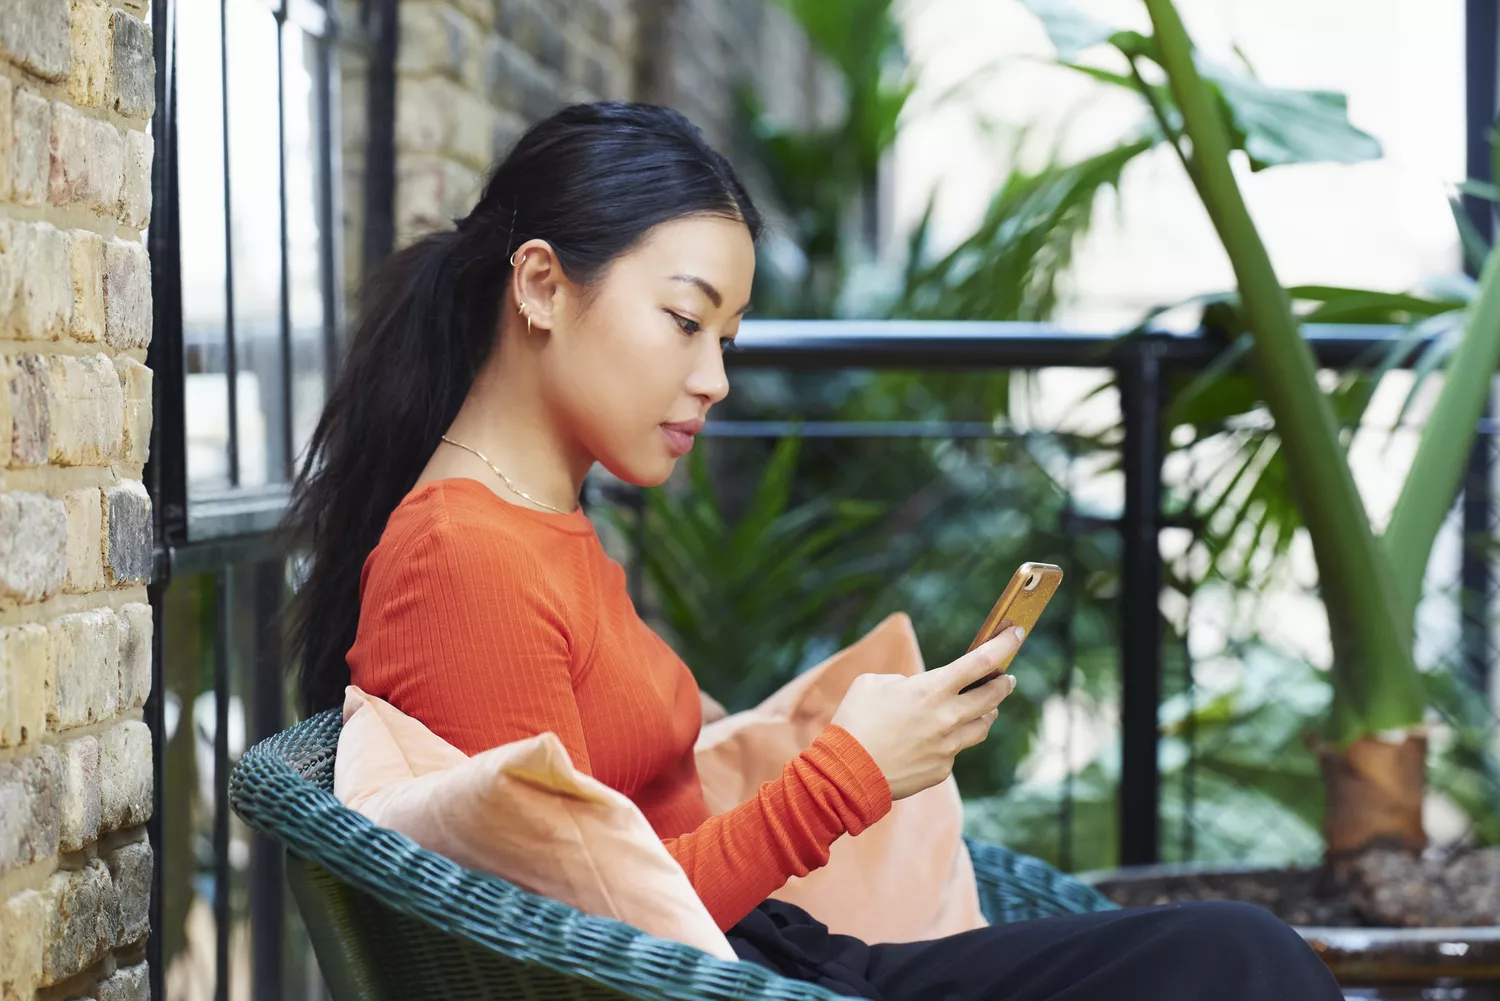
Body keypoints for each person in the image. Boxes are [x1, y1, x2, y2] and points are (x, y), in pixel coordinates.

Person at [283, 101, 1342, 1001]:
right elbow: (583, 936)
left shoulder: (540, 524)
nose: (715, 378)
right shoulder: (460, 557)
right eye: (686, 321)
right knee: (1238, 957)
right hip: (728, 972)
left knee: (1233, 952)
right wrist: (850, 776)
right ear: (543, 286)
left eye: (728, 339)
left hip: (767, 958)